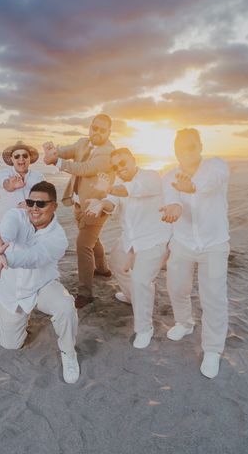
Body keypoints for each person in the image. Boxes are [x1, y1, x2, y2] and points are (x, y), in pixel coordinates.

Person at [0, 181, 80, 384]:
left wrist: (4, 260)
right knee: (11, 345)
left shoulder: (58, 238)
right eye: (30, 202)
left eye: (41, 204)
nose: (34, 208)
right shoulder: (16, 215)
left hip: (41, 286)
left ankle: (68, 351)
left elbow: (34, 257)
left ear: (54, 206)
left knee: (65, 306)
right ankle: (22, 319)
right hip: (11, 292)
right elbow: (7, 231)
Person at [160, 128, 230, 379]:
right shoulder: (168, 175)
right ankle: (185, 323)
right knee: (177, 288)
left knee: (213, 298)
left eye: (191, 146)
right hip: (182, 243)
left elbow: (211, 185)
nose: (186, 152)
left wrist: (191, 187)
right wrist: (174, 208)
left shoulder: (216, 166)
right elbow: (172, 199)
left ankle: (212, 349)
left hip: (214, 244)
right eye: (181, 147)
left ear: (200, 146)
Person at [85, 148, 171, 348]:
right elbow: (112, 202)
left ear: (133, 160)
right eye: (115, 166)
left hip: (153, 239)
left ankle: (144, 328)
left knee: (141, 280)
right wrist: (101, 204)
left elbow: (127, 190)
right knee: (116, 263)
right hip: (130, 238)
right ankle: (132, 296)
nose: (119, 168)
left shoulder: (150, 177)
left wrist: (107, 189)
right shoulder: (117, 183)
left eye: (122, 163)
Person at [42, 114, 115, 308]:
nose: (96, 132)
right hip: (78, 204)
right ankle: (103, 269)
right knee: (92, 239)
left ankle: (85, 293)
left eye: (102, 129)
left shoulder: (108, 153)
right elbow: (65, 151)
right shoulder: (83, 143)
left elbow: (84, 168)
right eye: (94, 127)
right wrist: (53, 151)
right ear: (90, 127)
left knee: (83, 245)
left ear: (109, 132)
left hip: (97, 206)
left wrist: (56, 162)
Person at [0, 141, 45, 222]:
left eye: (25, 155)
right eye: (17, 156)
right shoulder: (5, 173)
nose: (21, 159)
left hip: (31, 224)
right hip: (8, 224)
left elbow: (43, 198)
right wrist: (11, 185)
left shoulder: (38, 177)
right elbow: (6, 184)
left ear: (29, 158)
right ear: (12, 159)